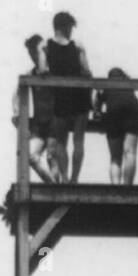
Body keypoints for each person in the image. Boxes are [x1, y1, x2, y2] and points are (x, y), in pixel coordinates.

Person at [40, 11, 92, 183]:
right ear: (65, 26)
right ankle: (74, 179)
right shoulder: (78, 45)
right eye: (71, 27)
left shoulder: (45, 46)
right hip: (80, 96)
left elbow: (42, 70)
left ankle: (64, 177)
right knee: (79, 140)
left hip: (61, 96)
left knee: (62, 141)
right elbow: (86, 71)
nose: (72, 31)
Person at [13, 35, 56, 183]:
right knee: (31, 156)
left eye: (35, 52)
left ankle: (58, 195)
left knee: (52, 158)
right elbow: (17, 93)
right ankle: (55, 188)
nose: (33, 56)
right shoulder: (30, 73)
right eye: (30, 53)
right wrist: (17, 112)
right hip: (39, 123)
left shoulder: (53, 71)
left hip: (55, 121)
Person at [95, 67, 138, 185]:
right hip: (134, 110)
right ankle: (127, 187)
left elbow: (97, 103)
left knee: (115, 157)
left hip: (113, 111)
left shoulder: (107, 85)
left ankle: (116, 188)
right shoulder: (129, 85)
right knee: (130, 152)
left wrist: (98, 113)